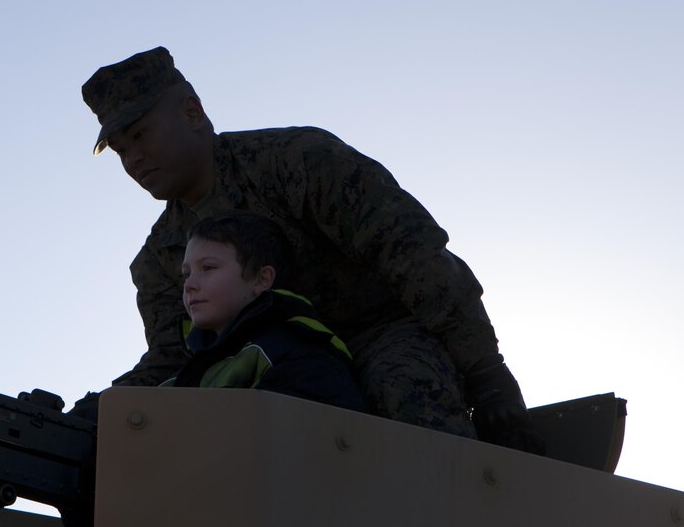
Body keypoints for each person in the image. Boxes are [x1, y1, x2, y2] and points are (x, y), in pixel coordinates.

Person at [81, 46, 542, 453]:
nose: (133, 159)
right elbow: (176, 357)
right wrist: (107, 411)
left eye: (140, 135)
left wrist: (486, 373)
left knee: (409, 402)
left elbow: (411, 253)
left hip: (379, 335)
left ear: (192, 111)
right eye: (120, 150)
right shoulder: (160, 257)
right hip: (268, 368)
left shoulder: (296, 161)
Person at [163, 210, 366, 413]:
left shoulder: (298, 355)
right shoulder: (188, 370)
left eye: (207, 267)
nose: (189, 284)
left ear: (261, 279)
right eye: (186, 274)